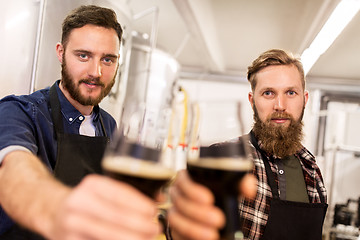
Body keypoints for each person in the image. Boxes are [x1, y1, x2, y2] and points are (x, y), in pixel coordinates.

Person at [0, 5, 162, 240]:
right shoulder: (19, 112)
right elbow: (13, 172)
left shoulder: (110, 126)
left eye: (107, 59)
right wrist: (57, 210)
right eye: (83, 55)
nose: (95, 71)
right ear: (60, 52)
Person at [168, 49, 328, 240]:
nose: (280, 105)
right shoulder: (225, 160)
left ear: (304, 100)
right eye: (268, 93)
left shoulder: (312, 170)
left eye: (291, 93)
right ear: (252, 101)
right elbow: (185, 227)